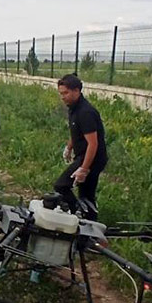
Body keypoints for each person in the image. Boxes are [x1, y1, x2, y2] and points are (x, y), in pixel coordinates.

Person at [54, 74, 107, 218]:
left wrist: (84, 168)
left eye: (66, 93)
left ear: (77, 91)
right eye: (61, 93)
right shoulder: (73, 107)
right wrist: (69, 147)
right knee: (86, 195)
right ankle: (87, 221)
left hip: (93, 158)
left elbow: (93, 143)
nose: (62, 97)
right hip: (83, 155)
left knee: (61, 186)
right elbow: (77, 132)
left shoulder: (85, 112)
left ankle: (80, 214)